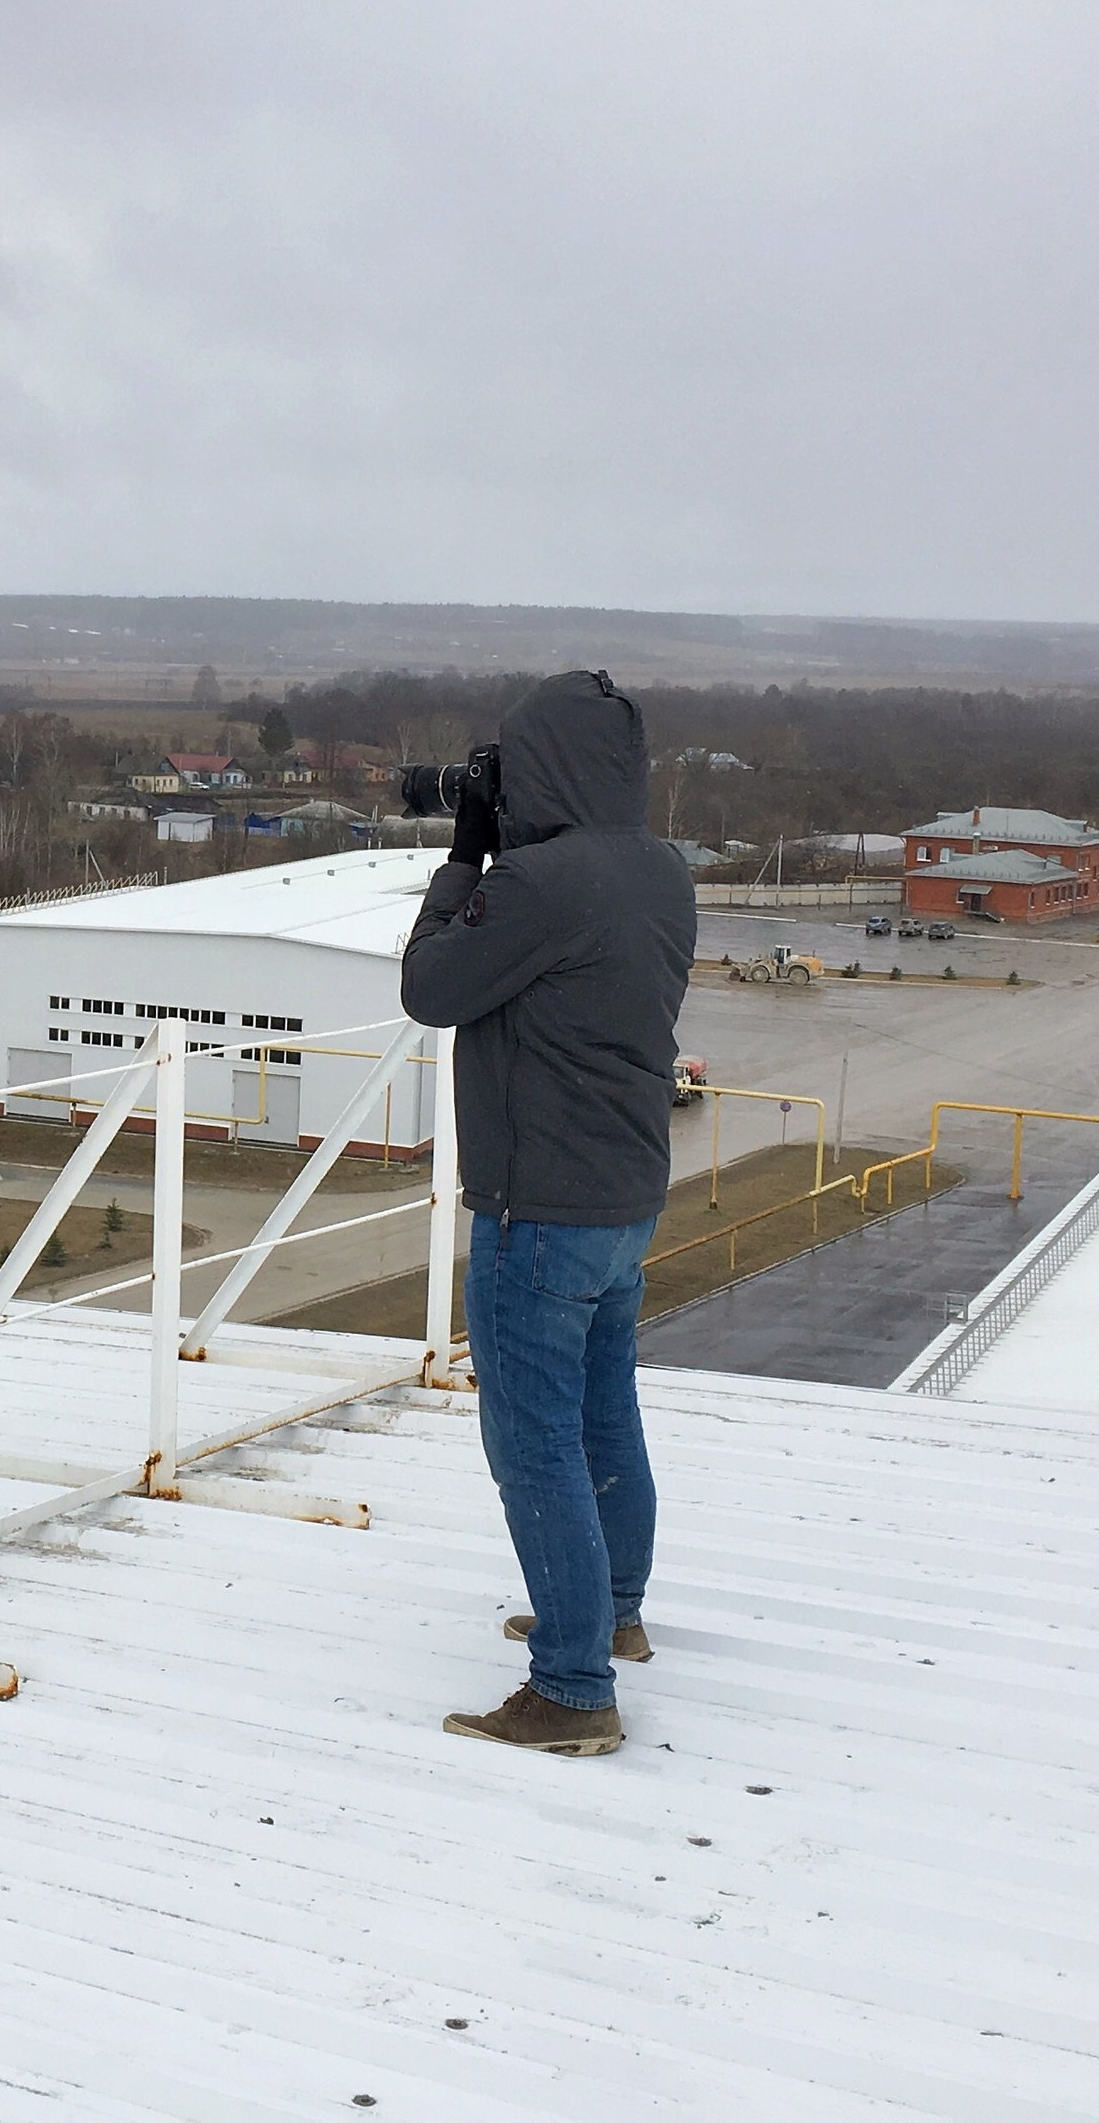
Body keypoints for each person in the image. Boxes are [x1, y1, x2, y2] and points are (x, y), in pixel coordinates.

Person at [400, 669, 695, 1757]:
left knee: (531, 1443)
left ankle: (571, 1688)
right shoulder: (662, 870)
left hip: (539, 1211)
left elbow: (431, 986)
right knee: (601, 1413)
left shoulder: (535, 885)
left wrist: (467, 851)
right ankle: (611, 1613)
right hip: (624, 1198)